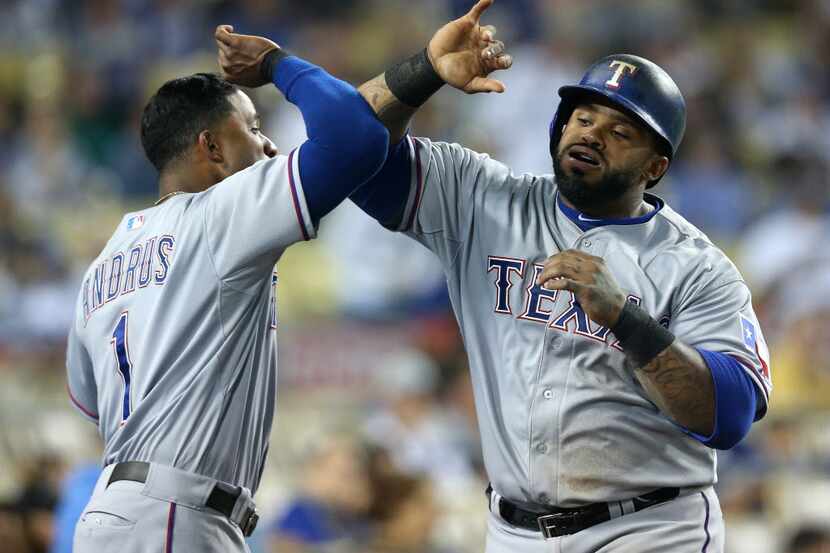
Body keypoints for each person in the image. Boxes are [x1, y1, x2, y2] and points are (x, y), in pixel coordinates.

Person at [350, 0, 773, 551]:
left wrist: (627, 320)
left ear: (655, 167)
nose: (593, 134)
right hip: (511, 530)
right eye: (584, 117)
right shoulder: (484, 200)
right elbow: (348, 147)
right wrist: (424, 72)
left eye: (621, 131)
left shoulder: (697, 266)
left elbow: (731, 415)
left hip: (648, 529)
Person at [65, 25, 391, 552]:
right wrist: (277, 65)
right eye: (253, 126)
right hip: (177, 516)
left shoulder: (102, 263)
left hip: (111, 511)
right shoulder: (221, 213)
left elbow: (89, 402)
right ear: (212, 146)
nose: (268, 144)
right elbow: (357, 138)